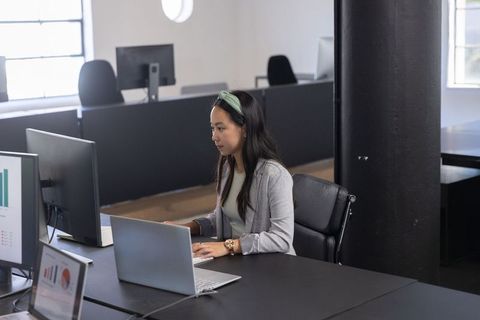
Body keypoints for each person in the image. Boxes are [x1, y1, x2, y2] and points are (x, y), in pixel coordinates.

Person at [174, 90, 295, 258]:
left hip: (270, 268)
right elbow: (223, 219)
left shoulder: (274, 176)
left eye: (221, 128)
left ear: (244, 129)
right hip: (238, 262)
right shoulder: (227, 167)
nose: (214, 136)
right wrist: (186, 227)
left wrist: (230, 246)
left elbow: (282, 238)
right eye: (213, 128)